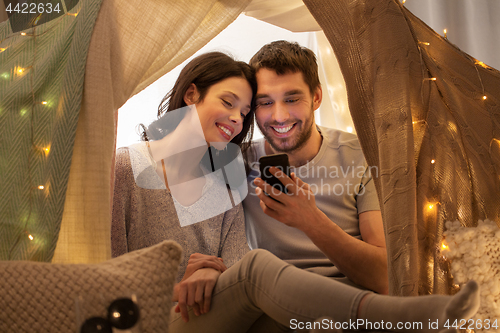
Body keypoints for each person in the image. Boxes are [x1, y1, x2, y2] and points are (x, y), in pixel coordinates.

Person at [111, 51, 481, 333]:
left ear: (317, 97)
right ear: (192, 94)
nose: (241, 121)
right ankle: (397, 318)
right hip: (152, 316)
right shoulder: (131, 169)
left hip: (260, 308)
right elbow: (99, 266)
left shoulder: (225, 179)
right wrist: (182, 282)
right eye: (256, 105)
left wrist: (214, 276)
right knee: (259, 272)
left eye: (243, 112)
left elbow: (233, 266)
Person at [243, 40, 388, 294]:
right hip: (273, 301)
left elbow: (384, 278)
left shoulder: (361, 156)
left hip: (354, 300)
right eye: (265, 102)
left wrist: (310, 220)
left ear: (316, 97)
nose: (279, 116)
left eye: (292, 99)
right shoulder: (237, 163)